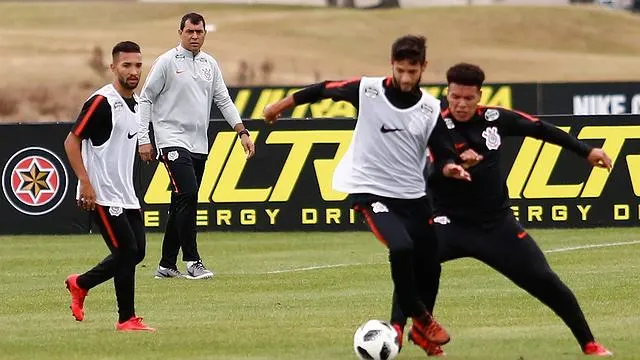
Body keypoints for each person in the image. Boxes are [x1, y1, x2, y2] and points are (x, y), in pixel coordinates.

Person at [389, 63, 613, 357]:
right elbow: (426, 172)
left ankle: (589, 343)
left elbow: (539, 128)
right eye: (455, 97)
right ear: (447, 93)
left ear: (479, 96)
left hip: (496, 227)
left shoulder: (495, 119)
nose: (461, 104)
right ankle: (396, 329)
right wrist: (451, 167)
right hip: (448, 223)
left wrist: (586, 151)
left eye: (468, 98)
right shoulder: (432, 125)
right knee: (414, 260)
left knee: (546, 281)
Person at [263, 35, 472, 347]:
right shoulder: (367, 90)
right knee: (401, 247)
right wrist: (280, 105)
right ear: (392, 64)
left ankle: (412, 331)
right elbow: (323, 89)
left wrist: (451, 167)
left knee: (428, 263)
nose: (404, 77)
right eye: (399, 70)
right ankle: (420, 316)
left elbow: (442, 153)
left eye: (411, 71)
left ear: (423, 68)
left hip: (412, 197)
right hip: (370, 191)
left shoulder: (430, 108)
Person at [138, 12, 256, 280]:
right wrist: (144, 137)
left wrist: (242, 132)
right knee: (189, 194)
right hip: (171, 140)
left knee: (182, 200)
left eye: (199, 32)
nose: (194, 36)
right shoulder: (167, 62)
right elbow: (145, 99)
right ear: (180, 32)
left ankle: (166, 265)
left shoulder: (209, 64)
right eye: (189, 32)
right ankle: (192, 260)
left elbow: (224, 101)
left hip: (198, 143)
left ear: (204, 33)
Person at [63, 41, 154, 332]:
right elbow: (72, 141)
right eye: (126, 65)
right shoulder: (102, 102)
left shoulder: (138, 105)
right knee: (127, 251)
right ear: (113, 67)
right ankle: (126, 319)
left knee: (137, 252)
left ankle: (82, 283)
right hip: (101, 193)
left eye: (138, 65)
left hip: (125, 193)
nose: (133, 71)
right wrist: (85, 183)